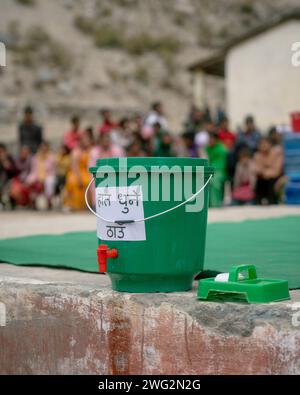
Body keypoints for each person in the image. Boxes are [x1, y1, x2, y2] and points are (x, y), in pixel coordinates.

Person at [64, 133, 94, 210]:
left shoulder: (90, 150)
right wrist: (79, 178)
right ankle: (74, 204)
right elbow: (74, 166)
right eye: (85, 140)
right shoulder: (76, 151)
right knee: (75, 182)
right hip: (77, 172)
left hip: (87, 171)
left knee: (90, 181)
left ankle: (90, 204)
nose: (87, 142)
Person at [26, 141, 56, 209]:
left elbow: (52, 170)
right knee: (30, 182)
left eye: (45, 147)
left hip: (49, 175)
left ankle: (49, 200)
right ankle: (33, 202)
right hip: (37, 175)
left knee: (49, 182)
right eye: (42, 147)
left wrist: (44, 177)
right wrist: (32, 178)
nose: (43, 148)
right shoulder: (35, 157)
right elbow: (33, 170)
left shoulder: (51, 157)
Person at [254, 137, 283, 205]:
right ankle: (258, 202)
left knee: (272, 180)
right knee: (259, 180)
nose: (263, 145)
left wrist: (265, 172)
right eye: (261, 144)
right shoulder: (257, 155)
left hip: (275, 178)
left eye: (265, 143)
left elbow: (277, 171)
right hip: (263, 178)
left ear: (270, 144)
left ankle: (273, 201)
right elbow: (257, 170)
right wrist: (265, 172)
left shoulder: (277, 153)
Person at [206, 131, 228, 207]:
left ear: (216, 139)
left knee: (214, 182)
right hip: (210, 170)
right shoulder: (208, 148)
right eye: (209, 138)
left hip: (220, 171)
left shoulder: (222, 149)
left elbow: (221, 165)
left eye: (212, 138)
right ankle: (207, 204)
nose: (210, 140)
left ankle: (215, 204)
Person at [0, 143, 16, 207]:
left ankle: (11, 203)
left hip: (9, 178)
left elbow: (13, 170)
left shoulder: (9, 157)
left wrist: (5, 162)